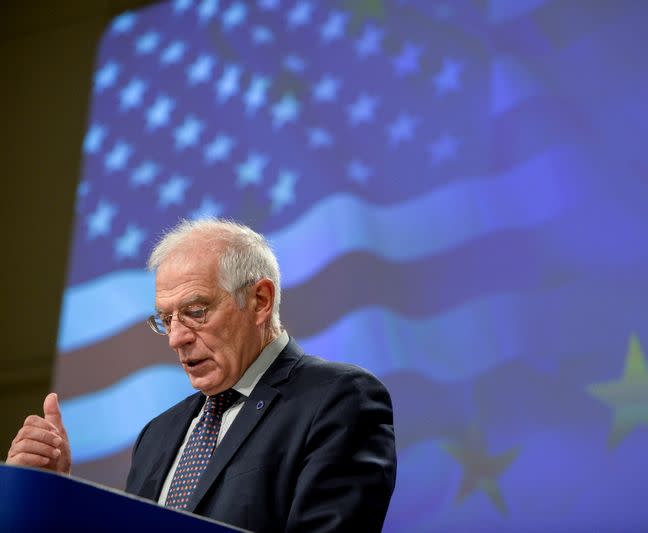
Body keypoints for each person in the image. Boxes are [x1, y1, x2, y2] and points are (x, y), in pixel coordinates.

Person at [6, 218, 397, 532]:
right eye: (165, 319)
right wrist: (56, 496)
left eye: (195, 311)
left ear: (260, 300)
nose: (176, 338)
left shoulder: (339, 398)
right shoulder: (158, 435)